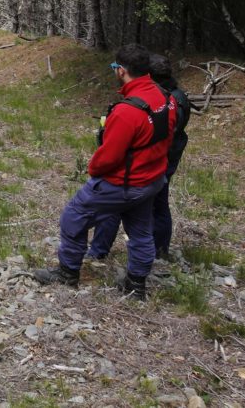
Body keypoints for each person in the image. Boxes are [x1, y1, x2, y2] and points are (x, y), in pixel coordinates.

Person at [33, 44, 176, 300]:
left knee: (73, 216)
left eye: (114, 67)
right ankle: (136, 284)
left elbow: (108, 158)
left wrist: (93, 169)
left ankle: (67, 273)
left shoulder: (127, 112)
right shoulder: (167, 99)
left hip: (124, 183)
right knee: (141, 231)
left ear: (121, 71)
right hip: (151, 180)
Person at [87, 54, 192, 262]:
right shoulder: (170, 97)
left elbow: (161, 135)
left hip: (153, 163)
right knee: (153, 207)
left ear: (150, 75)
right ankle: (151, 253)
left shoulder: (169, 100)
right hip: (158, 162)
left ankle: (148, 252)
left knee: (129, 206)